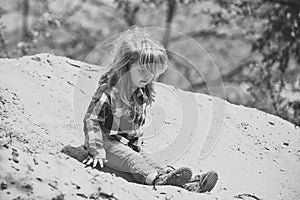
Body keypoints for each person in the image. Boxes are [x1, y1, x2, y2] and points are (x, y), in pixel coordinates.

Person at [82, 25, 218, 191]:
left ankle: (185, 185)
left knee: (153, 163)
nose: (148, 77)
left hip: (128, 145)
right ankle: (159, 181)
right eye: (142, 71)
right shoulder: (110, 90)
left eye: (153, 73)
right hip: (106, 144)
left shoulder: (140, 93)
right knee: (134, 161)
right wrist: (96, 150)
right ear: (126, 66)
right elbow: (92, 119)